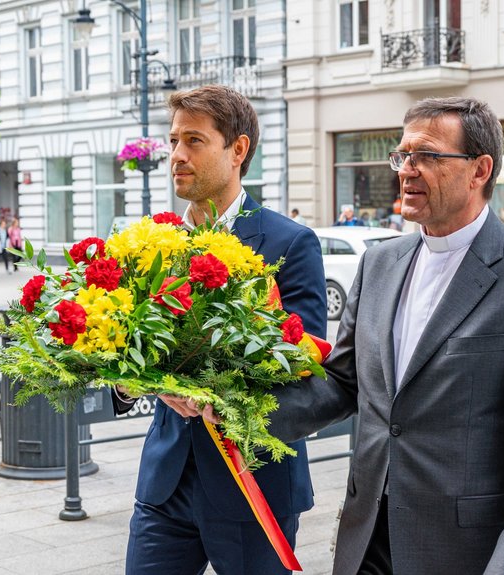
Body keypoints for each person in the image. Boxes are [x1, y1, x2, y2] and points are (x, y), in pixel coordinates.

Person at [263, 97, 504, 574]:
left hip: (464, 552)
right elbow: (344, 382)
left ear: (480, 170)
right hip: (367, 540)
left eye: (427, 156)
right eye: (402, 156)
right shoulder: (379, 263)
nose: (407, 170)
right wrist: (237, 410)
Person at [116, 84, 327, 575]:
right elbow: (127, 348)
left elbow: (305, 361)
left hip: (254, 484)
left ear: (238, 150)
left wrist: (215, 392)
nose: (176, 155)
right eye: (173, 141)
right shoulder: (151, 243)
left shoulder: (289, 243)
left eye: (194, 141)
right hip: (165, 485)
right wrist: (138, 382)